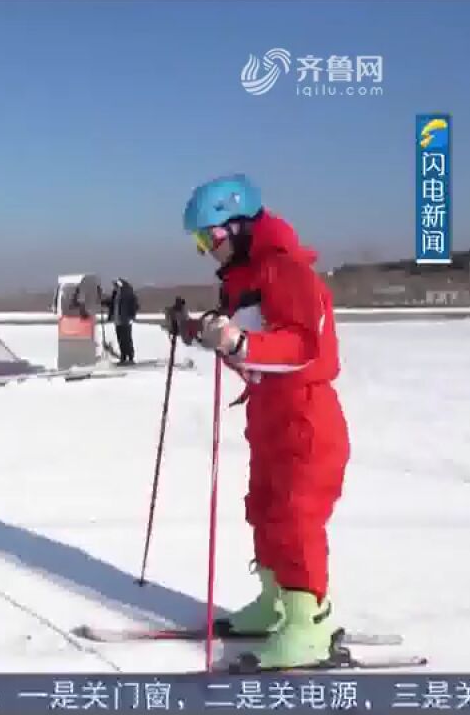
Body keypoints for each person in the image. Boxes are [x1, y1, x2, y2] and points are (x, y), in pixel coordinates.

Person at [163, 174, 350, 670]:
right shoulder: (243, 280)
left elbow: (300, 346)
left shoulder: (285, 271)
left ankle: (309, 625)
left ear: (241, 225)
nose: (207, 251)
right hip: (269, 413)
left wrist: (239, 343)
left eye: (211, 238)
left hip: (304, 414)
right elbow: (247, 353)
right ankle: (276, 605)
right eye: (200, 242)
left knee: (296, 515)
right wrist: (201, 332)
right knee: (264, 508)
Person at [102, 278, 140, 365]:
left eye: (116, 285)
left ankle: (130, 357)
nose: (115, 287)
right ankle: (123, 357)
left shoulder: (128, 295)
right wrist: (103, 302)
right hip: (117, 320)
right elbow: (111, 303)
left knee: (127, 339)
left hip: (125, 320)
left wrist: (131, 315)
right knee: (120, 339)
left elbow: (134, 305)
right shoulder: (116, 294)